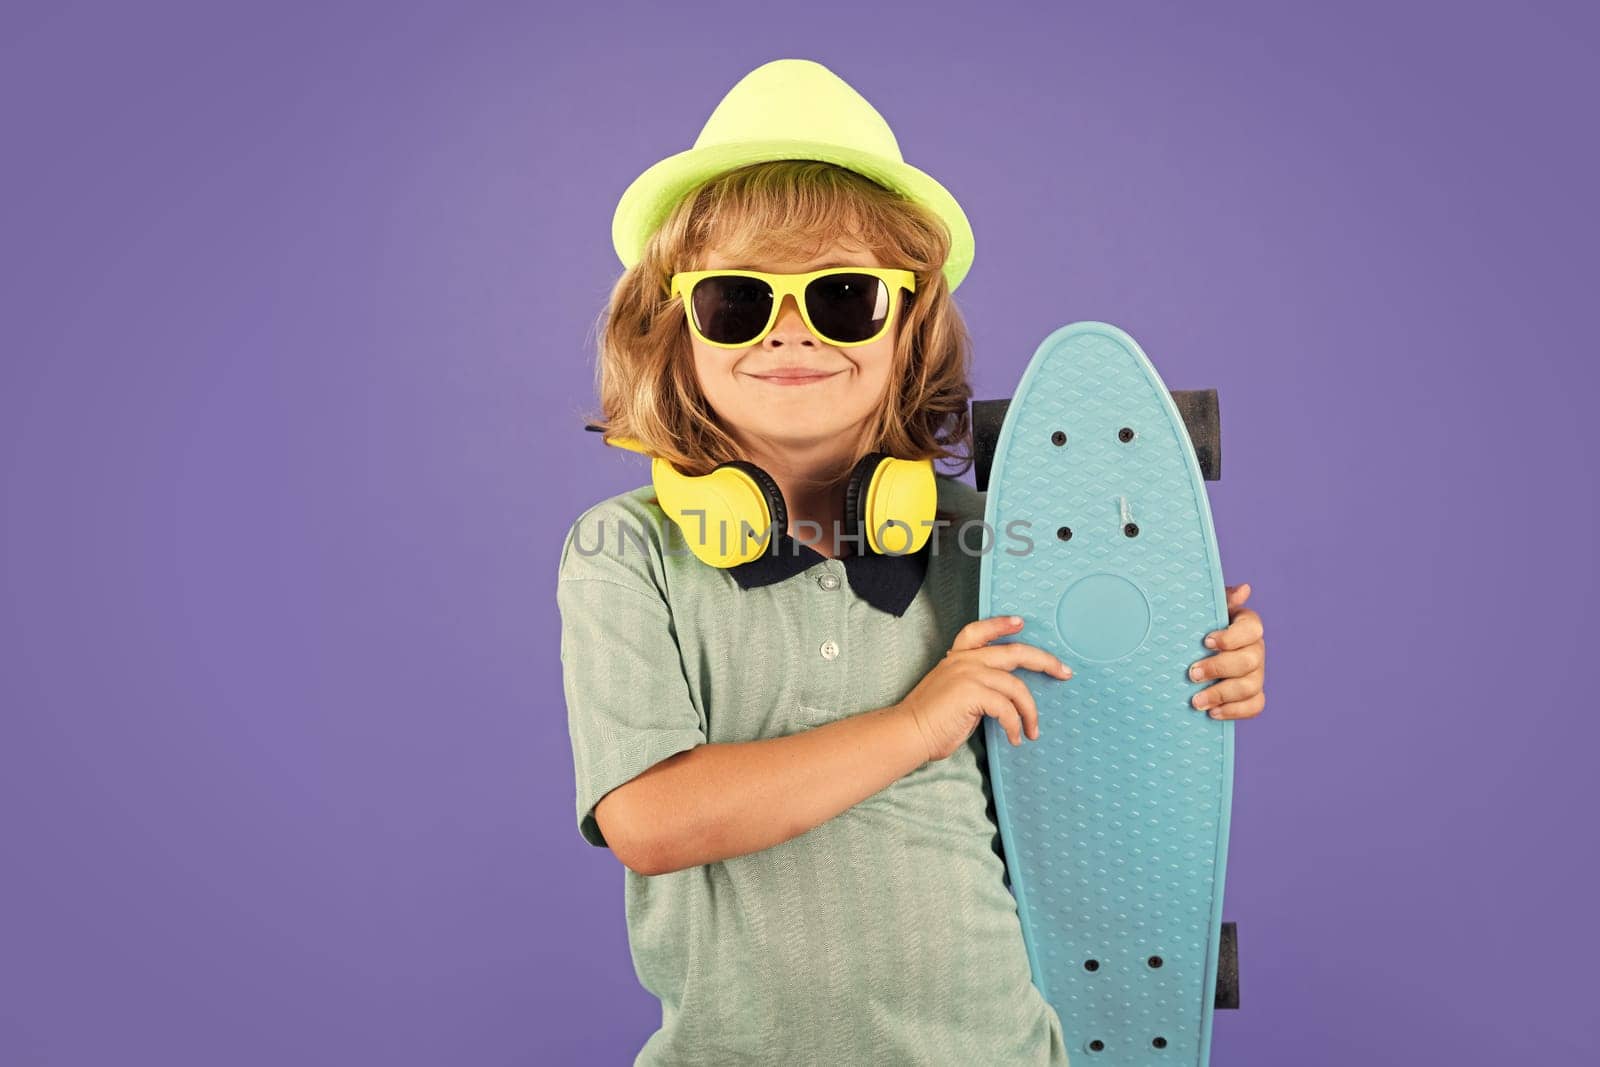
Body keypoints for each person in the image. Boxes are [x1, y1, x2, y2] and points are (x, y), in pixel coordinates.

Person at [557, 58, 1267, 1066]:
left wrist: (1201, 667)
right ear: (674, 331)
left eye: (844, 296)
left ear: (909, 329)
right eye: (735, 300)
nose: (790, 330)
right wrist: (914, 723)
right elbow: (653, 818)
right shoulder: (625, 552)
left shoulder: (999, 533)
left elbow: (1092, 762)